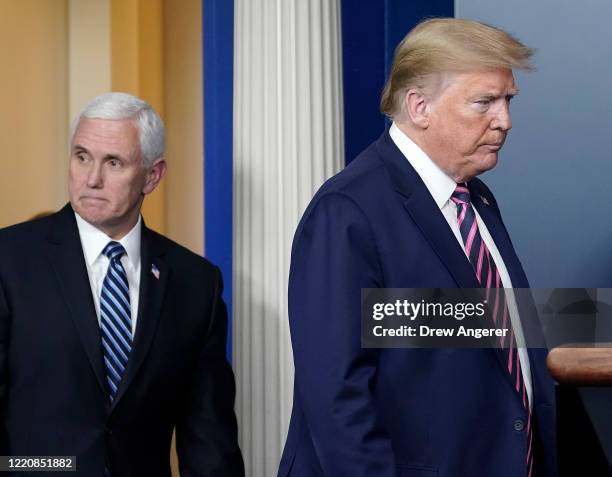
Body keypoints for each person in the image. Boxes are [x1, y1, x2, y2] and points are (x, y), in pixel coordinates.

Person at [278, 18, 556, 477]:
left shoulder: (476, 199)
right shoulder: (347, 210)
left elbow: (474, 337)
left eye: (507, 101)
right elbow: (336, 397)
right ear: (420, 106)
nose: (504, 120)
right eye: (484, 102)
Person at [0, 93, 244, 476]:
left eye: (113, 163)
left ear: (152, 175)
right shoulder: (9, 260)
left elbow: (208, 437)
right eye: (82, 157)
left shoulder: (195, 283)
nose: (92, 179)